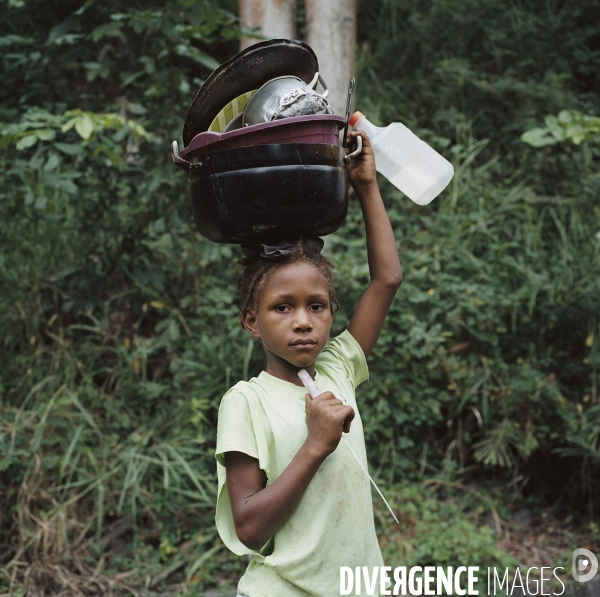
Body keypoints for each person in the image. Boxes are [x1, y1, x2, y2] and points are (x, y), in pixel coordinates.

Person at [214, 130, 402, 597]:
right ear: (251, 321)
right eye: (283, 307)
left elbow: (387, 279)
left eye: (316, 306)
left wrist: (367, 186)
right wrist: (317, 444)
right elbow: (250, 528)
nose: (303, 322)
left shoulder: (338, 367)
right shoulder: (246, 402)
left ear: (332, 314)